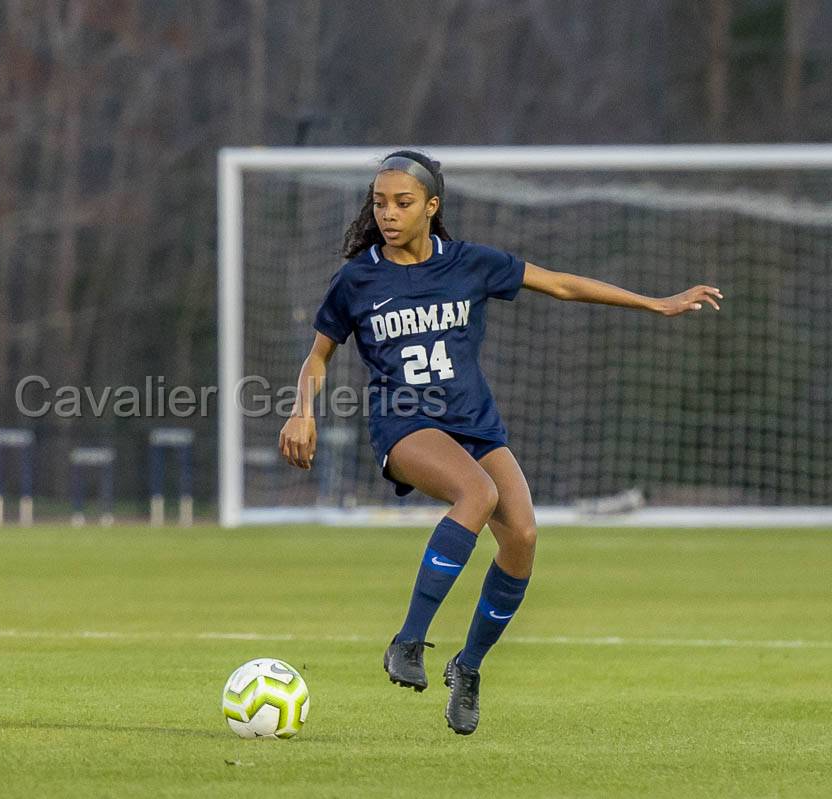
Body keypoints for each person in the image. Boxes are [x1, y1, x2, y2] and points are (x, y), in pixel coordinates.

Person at [277, 150, 722, 735]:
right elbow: (319, 354)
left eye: (403, 203)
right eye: (380, 202)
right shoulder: (359, 278)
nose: (388, 213)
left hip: (475, 423)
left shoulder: (470, 264)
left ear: (431, 208)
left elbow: (561, 285)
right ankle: (408, 642)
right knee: (476, 493)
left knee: (524, 537)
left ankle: (468, 667)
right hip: (405, 423)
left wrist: (653, 302)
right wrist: (301, 411)